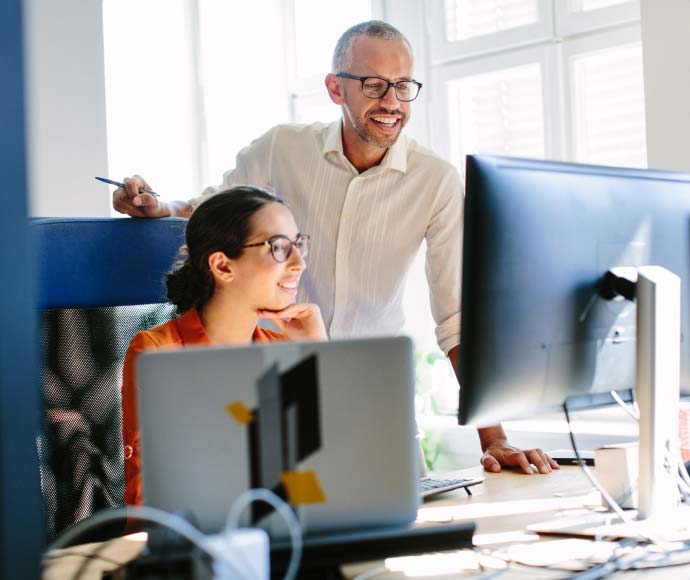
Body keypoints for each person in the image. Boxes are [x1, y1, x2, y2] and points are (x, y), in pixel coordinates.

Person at [113, 21, 558, 476]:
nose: (392, 102)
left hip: (371, 402)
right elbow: (217, 208)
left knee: (393, 526)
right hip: (274, 394)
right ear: (335, 89)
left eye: (404, 87)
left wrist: (494, 438)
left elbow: (458, 318)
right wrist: (159, 206)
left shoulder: (435, 180)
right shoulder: (281, 149)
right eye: (374, 85)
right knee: (298, 511)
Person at [121, 186, 327, 505]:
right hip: (195, 546)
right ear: (223, 266)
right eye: (279, 248)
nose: (299, 263)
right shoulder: (159, 352)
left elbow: (316, 478)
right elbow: (152, 500)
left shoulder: (282, 348)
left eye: (299, 245)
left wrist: (316, 354)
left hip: (281, 537)